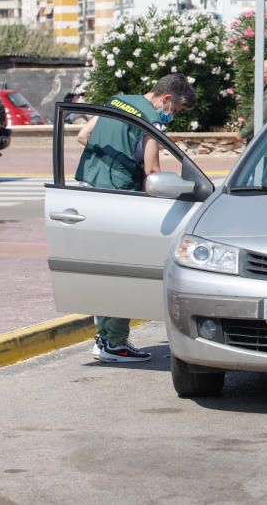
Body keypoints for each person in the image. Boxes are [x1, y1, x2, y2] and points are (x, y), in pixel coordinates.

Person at [75, 73, 196, 362]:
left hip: (88, 192)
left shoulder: (116, 102)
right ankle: (113, 343)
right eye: (176, 110)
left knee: (103, 271)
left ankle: (104, 338)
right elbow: (153, 172)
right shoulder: (149, 122)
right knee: (122, 272)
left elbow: (83, 135)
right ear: (166, 100)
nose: (173, 116)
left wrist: (110, 158)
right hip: (119, 200)